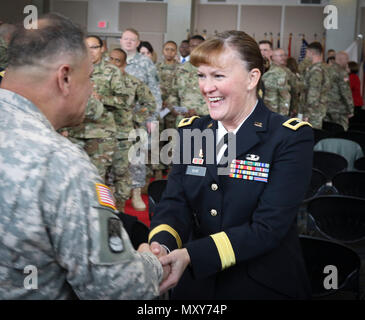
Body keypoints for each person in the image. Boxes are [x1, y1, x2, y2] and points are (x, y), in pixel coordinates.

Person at [0, 13, 166, 299]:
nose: (91, 89)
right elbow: (121, 290)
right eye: (88, 78)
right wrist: (149, 261)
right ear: (64, 77)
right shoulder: (61, 164)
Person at [149, 30, 313, 300]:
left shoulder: (289, 137)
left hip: (260, 283)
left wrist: (192, 255)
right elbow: (175, 203)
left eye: (218, 76)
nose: (206, 87)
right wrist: (161, 248)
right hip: (196, 283)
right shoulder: (194, 131)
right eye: (202, 75)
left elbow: (268, 227)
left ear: (252, 78)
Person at [108, 48, 157, 209]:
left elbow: (150, 104)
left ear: (124, 64)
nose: (113, 64)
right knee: (109, 166)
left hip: (131, 130)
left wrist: (136, 118)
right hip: (107, 132)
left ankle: (136, 195)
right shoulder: (100, 82)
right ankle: (110, 198)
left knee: (136, 163)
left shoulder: (133, 82)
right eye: (111, 60)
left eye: (118, 61)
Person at [120, 28, 162, 210]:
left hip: (139, 118)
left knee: (137, 157)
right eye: (125, 39)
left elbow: (155, 92)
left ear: (138, 43)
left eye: (132, 39)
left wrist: (153, 117)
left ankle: (136, 193)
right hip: (116, 120)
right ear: (121, 41)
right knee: (118, 158)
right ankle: (117, 193)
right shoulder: (111, 62)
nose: (128, 42)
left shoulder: (146, 63)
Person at [165, 35, 208, 127]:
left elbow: (217, 96)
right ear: (189, 48)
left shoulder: (210, 69)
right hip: (183, 119)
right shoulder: (180, 69)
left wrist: (198, 111)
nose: (195, 48)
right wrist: (175, 109)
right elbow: (173, 93)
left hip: (205, 119)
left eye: (198, 46)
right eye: (192, 46)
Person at [301, 42, 330, 129]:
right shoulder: (323, 67)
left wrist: (307, 115)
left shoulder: (316, 70)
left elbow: (313, 94)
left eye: (306, 53)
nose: (306, 56)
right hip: (317, 110)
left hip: (313, 113)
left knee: (312, 136)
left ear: (311, 53)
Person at [259, 41, 291, 116]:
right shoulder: (253, 70)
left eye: (265, 50)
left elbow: (285, 97)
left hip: (272, 113)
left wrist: (282, 118)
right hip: (257, 114)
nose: (262, 53)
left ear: (271, 52)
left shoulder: (279, 72)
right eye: (260, 50)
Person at [324, 51, 354, 131]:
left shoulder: (326, 70)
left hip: (326, 107)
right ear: (340, 59)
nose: (348, 61)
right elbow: (346, 93)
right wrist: (350, 110)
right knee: (341, 132)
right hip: (339, 109)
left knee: (327, 131)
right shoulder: (342, 72)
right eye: (346, 59)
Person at [272, 48, 300, 117]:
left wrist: (294, 107)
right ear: (273, 57)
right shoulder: (269, 71)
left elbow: (295, 89)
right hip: (274, 108)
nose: (283, 58)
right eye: (281, 56)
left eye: (284, 55)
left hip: (287, 108)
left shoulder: (287, 71)